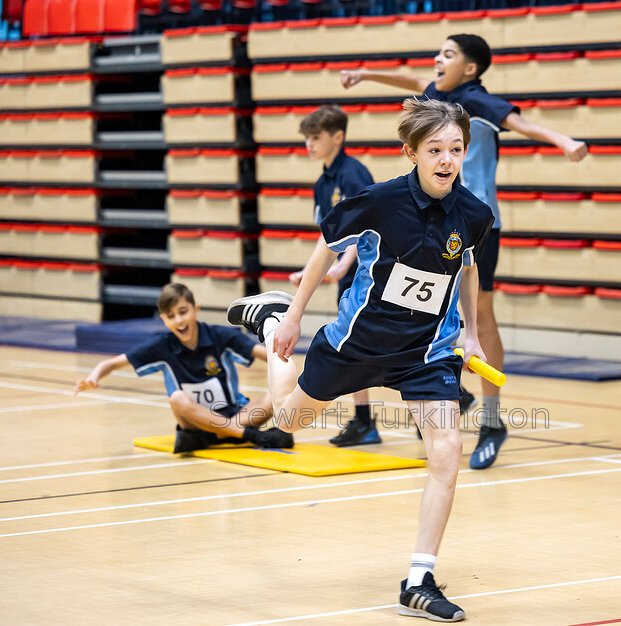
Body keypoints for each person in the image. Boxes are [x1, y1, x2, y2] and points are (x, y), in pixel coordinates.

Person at [228, 98, 493, 622]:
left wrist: (473, 333)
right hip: (356, 343)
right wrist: (296, 313)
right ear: (412, 153)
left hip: (425, 351)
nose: (446, 160)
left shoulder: (475, 214)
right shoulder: (378, 201)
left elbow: (467, 268)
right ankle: (270, 315)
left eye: (455, 150)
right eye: (434, 150)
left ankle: (418, 580)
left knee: (447, 449)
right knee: (287, 421)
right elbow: (326, 247)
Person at [340, 33, 588, 470]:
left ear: (469, 68)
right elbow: (411, 78)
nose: (437, 59)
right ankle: (449, 391)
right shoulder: (438, 93)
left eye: (448, 54)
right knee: (424, 307)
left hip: (474, 226)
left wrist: (564, 141)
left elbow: (525, 124)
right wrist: (367, 74)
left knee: (481, 315)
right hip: (428, 219)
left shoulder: (479, 101)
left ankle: (492, 420)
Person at [74, 283, 292, 453]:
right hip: (194, 421)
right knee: (176, 398)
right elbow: (111, 363)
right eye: (171, 316)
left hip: (236, 415)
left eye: (183, 311)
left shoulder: (220, 335)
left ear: (195, 309)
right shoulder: (161, 345)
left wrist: (285, 364)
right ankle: (254, 437)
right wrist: (94, 376)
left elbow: (268, 356)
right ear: (163, 320)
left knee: (275, 394)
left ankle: (211, 437)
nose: (179, 320)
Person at [289, 104, 379, 447]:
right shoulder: (323, 182)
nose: (309, 144)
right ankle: (364, 422)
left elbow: (366, 225)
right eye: (307, 138)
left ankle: (449, 395)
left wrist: (345, 263)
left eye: (316, 138)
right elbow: (329, 235)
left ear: (337, 137)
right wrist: (314, 268)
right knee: (355, 346)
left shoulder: (353, 175)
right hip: (350, 275)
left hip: (371, 273)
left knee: (362, 346)